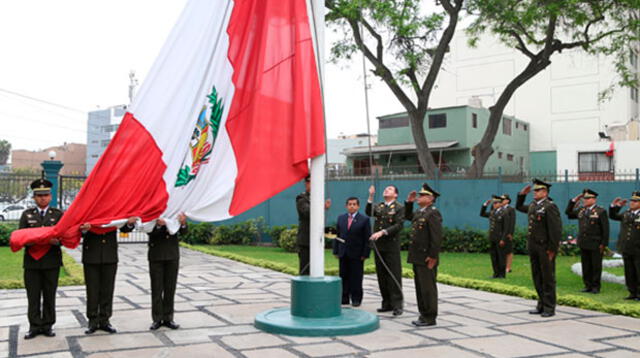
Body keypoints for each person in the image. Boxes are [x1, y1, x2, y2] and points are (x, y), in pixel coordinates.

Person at [19, 179, 63, 339]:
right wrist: (35, 240)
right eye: (39, 195)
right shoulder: (27, 215)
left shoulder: (58, 215)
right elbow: (20, 236)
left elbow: (64, 237)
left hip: (51, 261)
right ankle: (34, 326)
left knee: (50, 295)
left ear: (50, 196)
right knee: (33, 295)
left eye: (45, 195)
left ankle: (48, 325)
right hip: (32, 262)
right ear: (34, 197)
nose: (42, 198)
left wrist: (56, 241)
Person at [79, 217, 136, 334]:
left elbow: (125, 229)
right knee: (92, 290)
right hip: (92, 254)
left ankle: (105, 320)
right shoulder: (89, 208)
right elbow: (78, 229)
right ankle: (93, 320)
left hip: (109, 254)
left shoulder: (114, 208)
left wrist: (130, 224)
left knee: (108, 289)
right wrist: (84, 229)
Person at [516, 179, 562, 317]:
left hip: (545, 247)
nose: (534, 193)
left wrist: (552, 249)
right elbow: (519, 207)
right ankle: (541, 304)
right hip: (534, 246)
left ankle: (549, 307)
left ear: (545, 192)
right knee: (537, 276)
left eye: (537, 190)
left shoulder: (550, 206)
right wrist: (521, 195)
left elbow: (555, 230)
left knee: (547, 277)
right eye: (534, 190)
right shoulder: (533, 206)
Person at [405, 183, 442, 327]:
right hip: (417, 256)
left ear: (430, 198)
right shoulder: (421, 212)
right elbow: (408, 216)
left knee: (428, 288)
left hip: (427, 257)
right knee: (420, 288)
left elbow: (436, 237)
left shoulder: (433, 213)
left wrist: (433, 256)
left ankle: (430, 317)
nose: (419, 198)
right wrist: (409, 202)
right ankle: (423, 314)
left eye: (422, 195)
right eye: (419, 195)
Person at [366, 185, 405, 316]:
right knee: (381, 275)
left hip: (391, 246)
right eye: (385, 189)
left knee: (393, 275)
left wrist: (383, 232)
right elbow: (368, 212)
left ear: (396, 195)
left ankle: (397, 305)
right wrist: (370, 196)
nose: (386, 190)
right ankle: (386, 303)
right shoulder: (380, 206)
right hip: (379, 246)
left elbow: (399, 225)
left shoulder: (399, 207)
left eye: (390, 189)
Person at [148, 214, 188, 330]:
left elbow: (184, 232)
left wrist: (183, 223)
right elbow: (148, 231)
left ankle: (168, 318)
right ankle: (156, 319)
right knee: (156, 289)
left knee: (170, 288)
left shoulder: (175, 212)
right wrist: (159, 226)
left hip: (172, 255)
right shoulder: (154, 211)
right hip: (156, 255)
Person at [565, 189, 609, 294]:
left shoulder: (600, 211)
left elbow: (605, 229)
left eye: (588, 198)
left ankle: (595, 287)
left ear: (594, 199)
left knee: (596, 266)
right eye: (584, 198)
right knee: (586, 265)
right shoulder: (582, 210)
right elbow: (568, 213)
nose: (585, 200)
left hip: (595, 243)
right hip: (584, 242)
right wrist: (574, 201)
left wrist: (603, 244)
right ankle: (587, 285)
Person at [333, 197, 371, 307]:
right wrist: (336, 251)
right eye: (350, 204)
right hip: (343, 253)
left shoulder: (364, 219)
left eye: (354, 204)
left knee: (356, 277)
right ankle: (344, 298)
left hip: (357, 254)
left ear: (358, 206)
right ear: (346, 206)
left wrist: (365, 254)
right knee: (343, 276)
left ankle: (356, 298)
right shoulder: (341, 218)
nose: (352, 206)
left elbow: (367, 238)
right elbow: (337, 235)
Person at [296, 175, 331, 275]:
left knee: (316, 269)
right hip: (306, 240)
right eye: (312, 182)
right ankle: (304, 290)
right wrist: (322, 207)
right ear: (307, 183)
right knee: (305, 269)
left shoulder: (317, 197)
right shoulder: (301, 198)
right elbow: (308, 212)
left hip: (317, 239)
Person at [609, 192, 640, 301]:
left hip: (638, 249)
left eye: (635, 201)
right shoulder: (626, 213)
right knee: (629, 272)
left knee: (638, 271)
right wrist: (615, 207)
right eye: (631, 201)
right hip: (627, 247)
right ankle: (632, 292)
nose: (632, 203)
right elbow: (613, 216)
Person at [480, 195, 508, 278]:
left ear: (500, 203)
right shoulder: (493, 212)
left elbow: (506, 227)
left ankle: (502, 274)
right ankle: (496, 273)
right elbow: (482, 214)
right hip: (493, 238)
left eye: (496, 203)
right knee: (494, 256)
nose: (494, 205)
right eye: (493, 203)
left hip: (500, 238)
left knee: (501, 256)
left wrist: (503, 239)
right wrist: (485, 205)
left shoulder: (504, 213)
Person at [501, 194, 516, 273]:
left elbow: (512, 222)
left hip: (507, 233)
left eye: (503, 199)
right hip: (500, 233)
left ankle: (508, 267)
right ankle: (502, 266)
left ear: (507, 200)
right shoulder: (500, 209)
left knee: (509, 251)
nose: (501, 201)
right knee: (501, 251)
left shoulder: (511, 209)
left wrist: (510, 233)